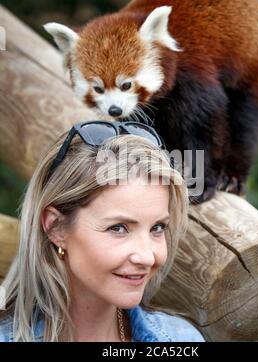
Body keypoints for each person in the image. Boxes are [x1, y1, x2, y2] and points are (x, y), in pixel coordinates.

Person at [0, 120, 205, 342]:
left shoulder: (181, 339)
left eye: (157, 228)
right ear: (55, 227)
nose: (147, 256)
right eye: (119, 228)